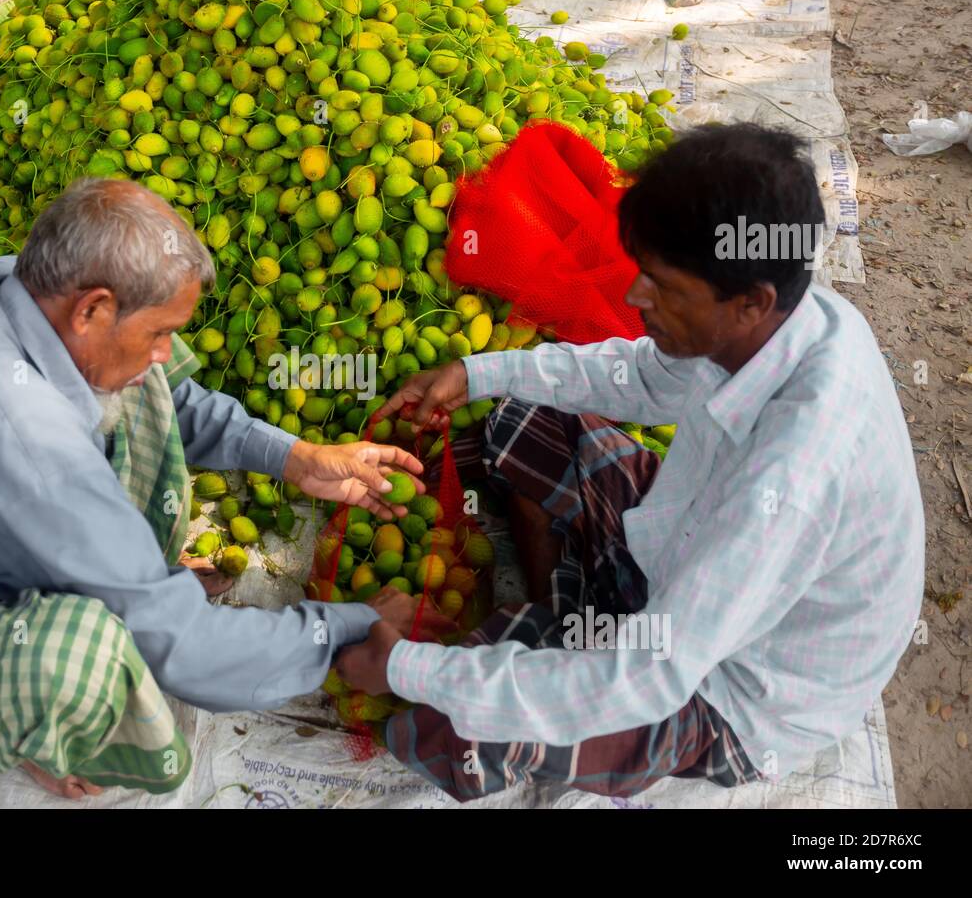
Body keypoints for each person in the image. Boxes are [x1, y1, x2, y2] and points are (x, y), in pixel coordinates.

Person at [0, 178, 447, 802]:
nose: (164, 351)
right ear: (92, 307)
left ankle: (116, 579)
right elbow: (185, 649)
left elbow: (169, 392)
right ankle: (25, 724)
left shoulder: (6, 287)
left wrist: (294, 457)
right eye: (160, 333)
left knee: (140, 381)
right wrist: (351, 628)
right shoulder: (24, 436)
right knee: (87, 656)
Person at [339, 123, 925, 802]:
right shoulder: (786, 316)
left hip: (726, 689)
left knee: (458, 725)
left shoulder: (793, 477)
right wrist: (476, 372)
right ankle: (562, 620)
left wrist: (407, 669)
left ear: (750, 303)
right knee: (520, 416)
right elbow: (644, 378)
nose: (635, 298)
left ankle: (551, 641)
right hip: (681, 560)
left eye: (663, 285)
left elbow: (649, 676)